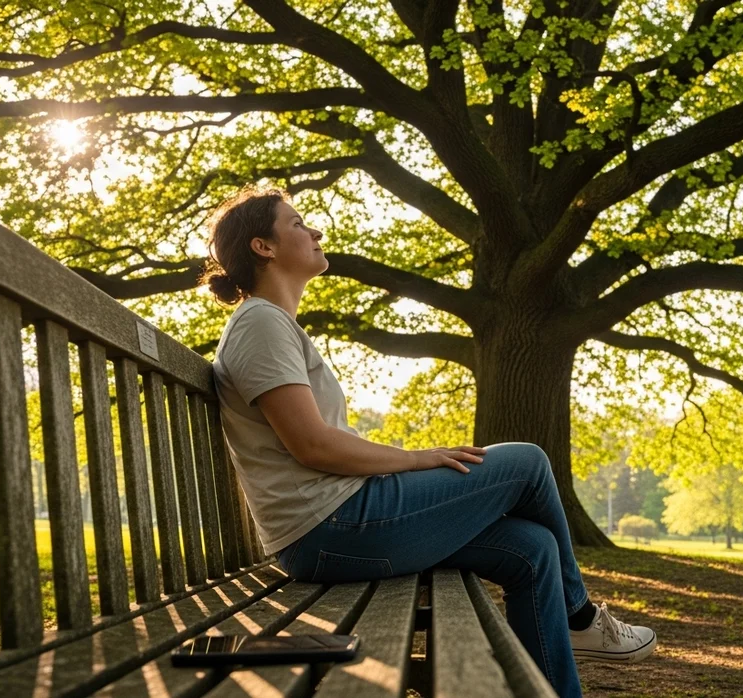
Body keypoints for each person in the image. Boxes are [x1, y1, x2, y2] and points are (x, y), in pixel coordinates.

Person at [203, 186, 657, 697]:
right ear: (263, 247)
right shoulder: (261, 322)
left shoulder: (273, 324)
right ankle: (580, 619)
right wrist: (416, 460)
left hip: (340, 524)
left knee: (533, 549)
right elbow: (314, 447)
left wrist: (408, 465)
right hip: (330, 528)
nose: (316, 232)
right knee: (527, 463)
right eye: (298, 224)